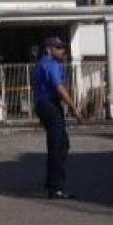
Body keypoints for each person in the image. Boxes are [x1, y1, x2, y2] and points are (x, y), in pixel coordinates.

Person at [30, 37, 84, 199]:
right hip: (50, 105)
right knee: (58, 146)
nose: (62, 51)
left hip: (42, 104)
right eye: (58, 48)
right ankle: (56, 187)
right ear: (49, 49)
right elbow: (59, 88)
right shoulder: (51, 64)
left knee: (59, 144)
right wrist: (73, 108)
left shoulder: (38, 65)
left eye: (62, 48)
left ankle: (52, 184)